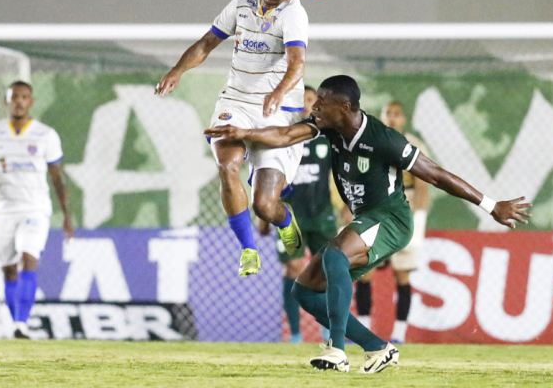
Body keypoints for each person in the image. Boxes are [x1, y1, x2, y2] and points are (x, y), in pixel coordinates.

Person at [205, 75, 530, 373]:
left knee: (334, 256)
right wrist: (245, 133)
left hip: (391, 218)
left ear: (344, 107)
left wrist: (491, 205)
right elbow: (287, 134)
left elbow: (434, 173)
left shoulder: (383, 139)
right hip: (364, 218)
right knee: (305, 291)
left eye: (322, 101)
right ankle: (377, 348)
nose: (314, 106)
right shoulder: (327, 127)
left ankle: (336, 349)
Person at [156, 0, 309, 277]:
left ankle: (284, 220)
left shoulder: (294, 15)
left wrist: (279, 91)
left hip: (278, 112)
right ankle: (248, 249)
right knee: (227, 166)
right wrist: (178, 70)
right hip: (235, 102)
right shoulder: (241, 4)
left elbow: (297, 63)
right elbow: (207, 43)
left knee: (264, 206)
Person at [0, 81, 74, 339]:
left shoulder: (46, 135)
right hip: (3, 209)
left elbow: (57, 177)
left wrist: (66, 215)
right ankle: (16, 325)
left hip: (35, 208)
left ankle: (21, 323)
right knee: (8, 268)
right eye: (14, 97)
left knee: (28, 257)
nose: (19, 102)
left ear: (31, 102)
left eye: (24, 97)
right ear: (6, 101)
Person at [258, 86, 340, 343]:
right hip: (289, 217)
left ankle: (327, 330)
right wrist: (263, 214)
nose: (308, 104)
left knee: (326, 271)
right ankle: (294, 334)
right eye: (304, 99)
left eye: (313, 100)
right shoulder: (281, 135)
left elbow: (342, 174)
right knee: (293, 269)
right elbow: (266, 174)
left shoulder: (329, 136)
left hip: (321, 214)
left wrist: (348, 206)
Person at [354, 101, 429, 343]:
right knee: (365, 270)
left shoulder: (414, 145)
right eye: (389, 114)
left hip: (404, 203)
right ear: (382, 117)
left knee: (402, 274)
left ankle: (399, 334)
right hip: (377, 205)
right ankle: (364, 328)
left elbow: (423, 187)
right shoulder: (370, 144)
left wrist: (419, 219)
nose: (393, 119)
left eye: (397, 114)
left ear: (403, 119)